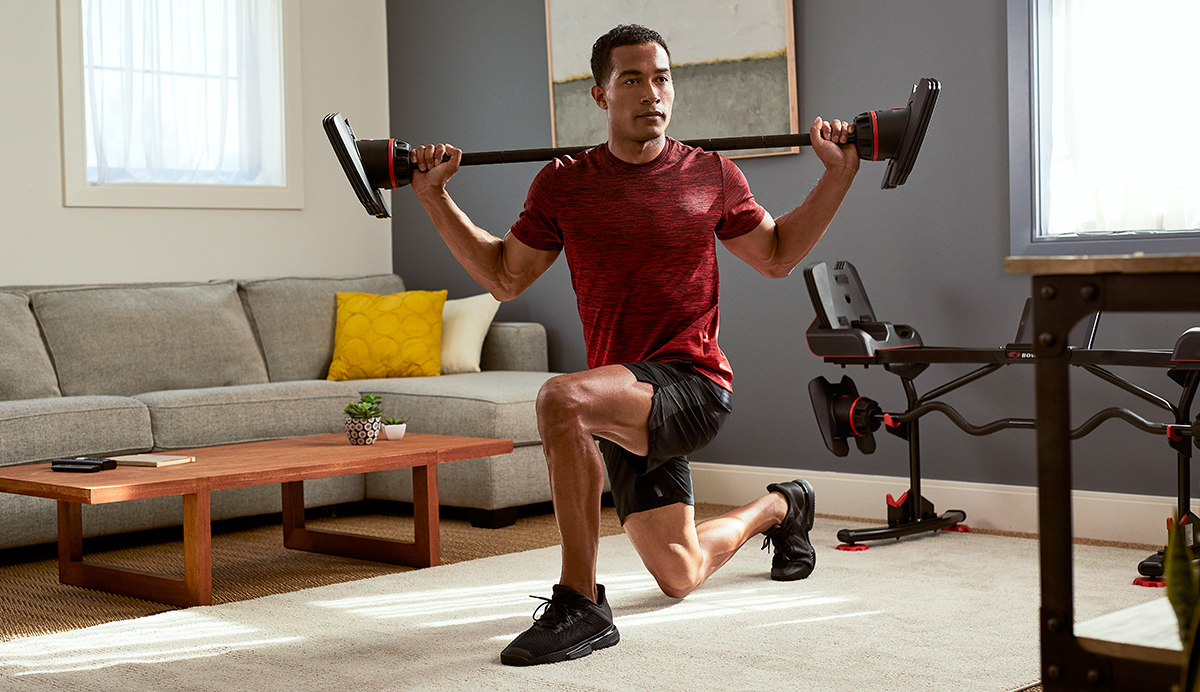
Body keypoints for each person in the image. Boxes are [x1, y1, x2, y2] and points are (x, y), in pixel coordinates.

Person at [409, 24, 859, 666]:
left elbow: (779, 255)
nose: (652, 93)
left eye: (662, 78)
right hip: (623, 402)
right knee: (679, 574)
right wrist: (434, 196)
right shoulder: (564, 185)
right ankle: (783, 505)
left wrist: (838, 177)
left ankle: (580, 602)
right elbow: (504, 276)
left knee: (561, 400)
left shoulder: (711, 175)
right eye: (632, 79)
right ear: (599, 95)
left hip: (693, 384)